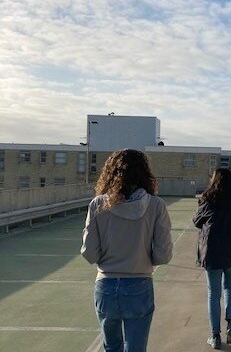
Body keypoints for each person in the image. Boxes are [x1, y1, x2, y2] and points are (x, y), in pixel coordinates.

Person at [81, 149, 173, 352]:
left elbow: (90, 252)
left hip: (105, 285)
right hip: (139, 284)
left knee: (111, 348)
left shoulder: (98, 204)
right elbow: (163, 254)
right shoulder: (156, 206)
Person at [193, 168, 231, 349]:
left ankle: (215, 335)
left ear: (213, 179)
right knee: (230, 287)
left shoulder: (208, 198)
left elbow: (196, 221)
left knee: (213, 292)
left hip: (213, 252)